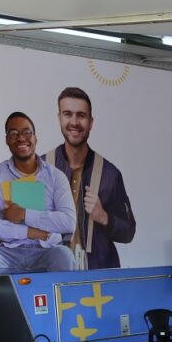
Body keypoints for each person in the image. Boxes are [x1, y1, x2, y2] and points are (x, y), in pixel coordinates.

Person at [0, 112, 76, 275]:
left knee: (64, 256)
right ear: (7, 140)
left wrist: (24, 214)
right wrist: (29, 232)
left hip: (46, 251)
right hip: (7, 253)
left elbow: (69, 222)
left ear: (35, 138)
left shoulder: (56, 177)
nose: (21, 138)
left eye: (27, 132)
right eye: (14, 133)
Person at [45, 87, 136, 269]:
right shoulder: (38, 170)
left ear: (91, 122)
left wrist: (104, 217)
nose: (74, 122)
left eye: (81, 115)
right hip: (51, 274)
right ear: (59, 118)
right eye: (68, 114)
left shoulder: (110, 174)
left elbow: (129, 232)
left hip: (99, 277)